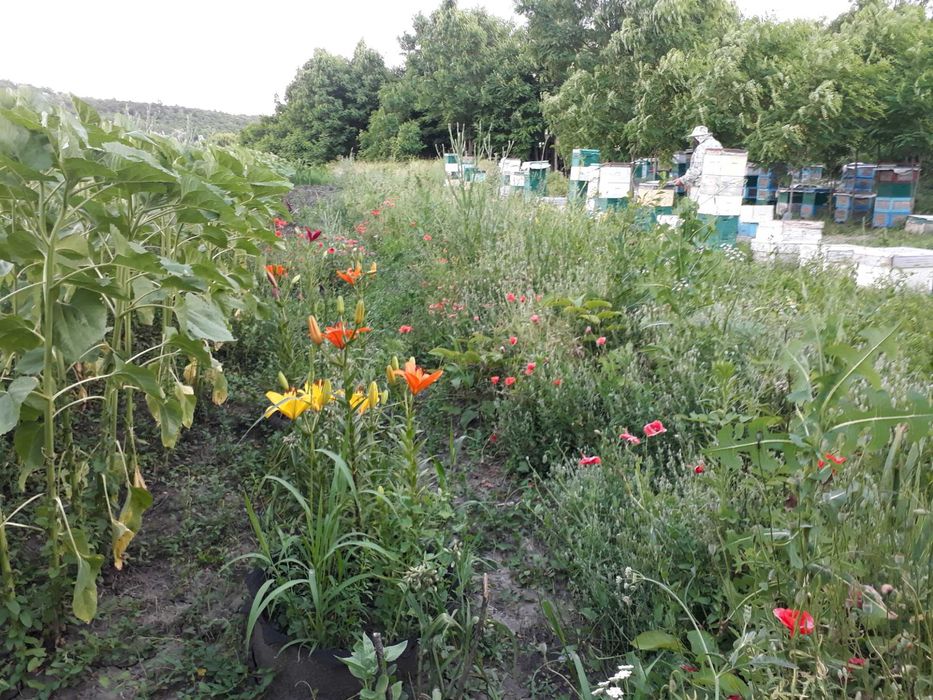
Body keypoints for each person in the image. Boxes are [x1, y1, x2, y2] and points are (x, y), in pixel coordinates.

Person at [672, 125, 722, 190]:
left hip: (703, 184)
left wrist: (683, 180)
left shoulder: (702, 147)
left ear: (698, 137)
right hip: (718, 182)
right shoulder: (718, 144)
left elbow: (697, 168)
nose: (694, 140)